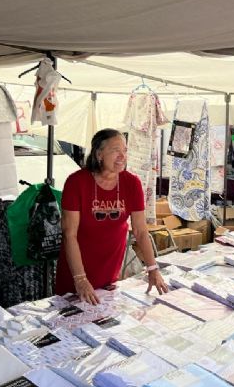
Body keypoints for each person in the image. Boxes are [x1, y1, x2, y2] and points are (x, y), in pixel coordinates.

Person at [56, 128, 169, 303]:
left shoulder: (132, 183)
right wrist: (80, 279)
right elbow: (69, 234)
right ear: (99, 154)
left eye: (124, 150)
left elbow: (140, 231)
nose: (122, 156)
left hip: (109, 271)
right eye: (115, 150)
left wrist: (152, 268)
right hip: (76, 271)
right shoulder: (76, 182)